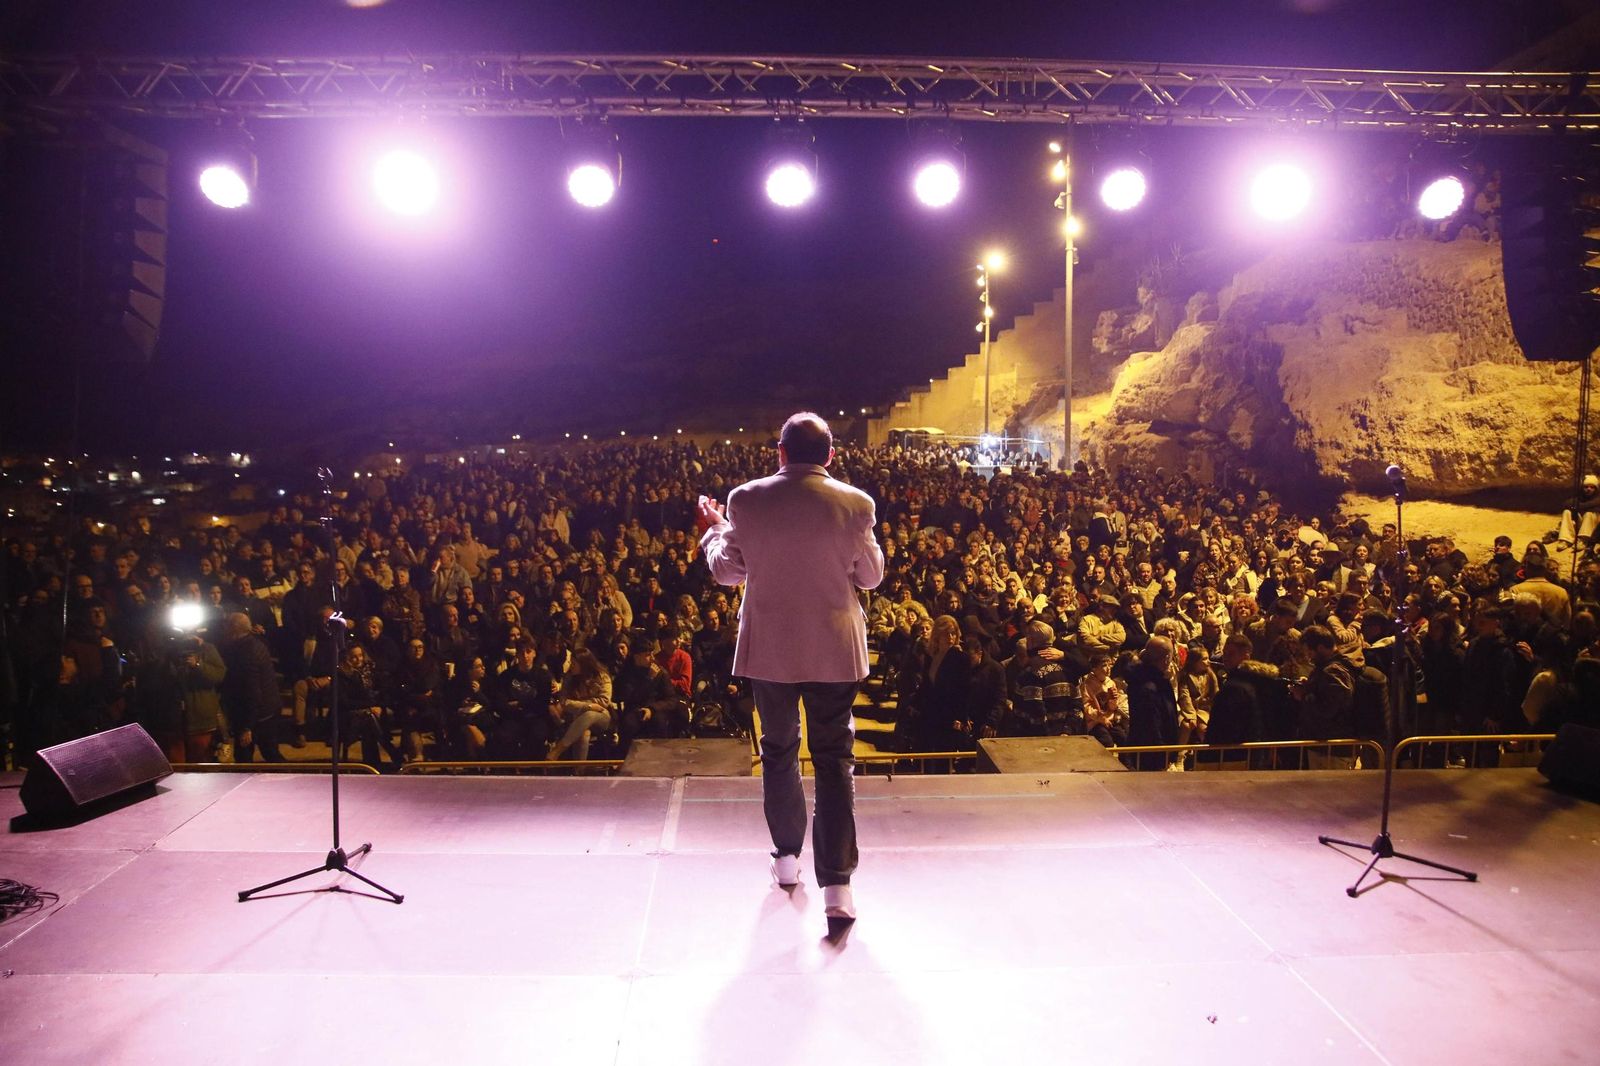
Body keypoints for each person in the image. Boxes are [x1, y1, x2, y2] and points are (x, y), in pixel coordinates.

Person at [697, 412, 884, 931]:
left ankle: (785, 859)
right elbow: (869, 577)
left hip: (771, 651)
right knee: (834, 760)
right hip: (834, 650)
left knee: (779, 751)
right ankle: (839, 887)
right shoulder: (856, 503)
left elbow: (728, 572)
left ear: (780, 452)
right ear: (830, 456)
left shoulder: (745, 499)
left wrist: (715, 532)